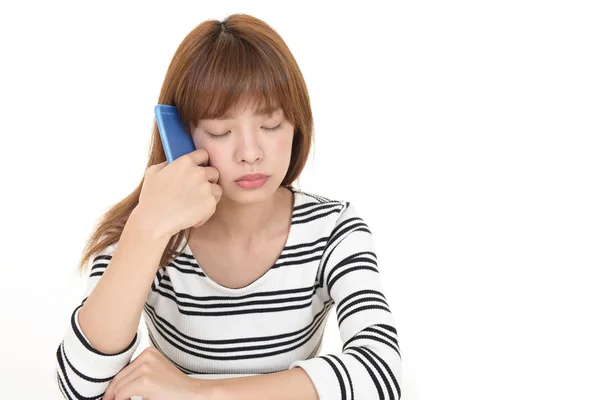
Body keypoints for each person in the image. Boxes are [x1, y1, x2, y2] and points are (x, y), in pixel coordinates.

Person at [55, 13, 402, 400]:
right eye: (221, 131)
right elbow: (81, 387)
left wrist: (200, 393)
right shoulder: (145, 233)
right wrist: (148, 228)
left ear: (297, 126)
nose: (250, 153)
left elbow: (380, 374)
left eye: (271, 125)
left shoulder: (333, 229)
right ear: (181, 135)